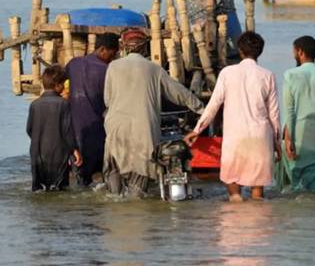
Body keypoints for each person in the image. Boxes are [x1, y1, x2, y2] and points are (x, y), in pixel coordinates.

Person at [103, 29, 205, 197]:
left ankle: (115, 200)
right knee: (139, 180)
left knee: (115, 176)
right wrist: (202, 109)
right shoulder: (154, 69)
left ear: (124, 47)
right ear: (145, 48)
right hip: (143, 129)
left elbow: (107, 100)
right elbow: (179, 93)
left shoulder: (113, 67)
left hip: (116, 127)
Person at [185, 32, 281, 201]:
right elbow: (274, 115)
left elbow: (213, 105)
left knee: (234, 193)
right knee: (258, 196)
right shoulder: (268, 75)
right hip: (260, 137)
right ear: (260, 52)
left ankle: (234, 215)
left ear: (240, 50)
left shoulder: (227, 73)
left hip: (235, 138)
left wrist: (197, 130)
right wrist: (277, 144)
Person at [275, 36, 315, 193]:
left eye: (294, 52)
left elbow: (289, 111)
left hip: (300, 130)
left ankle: (299, 214)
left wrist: (288, 137)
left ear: (300, 52)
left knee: (293, 177)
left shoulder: (290, 75)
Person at [66, 33, 120, 186]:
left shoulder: (73, 63)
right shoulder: (107, 71)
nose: (113, 57)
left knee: (80, 177)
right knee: (103, 175)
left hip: (75, 132)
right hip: (97, 130)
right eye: (112, 53)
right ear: (102, 49)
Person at [26, 65, 82, 191]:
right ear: (57, 85)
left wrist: (38, 140)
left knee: (39, 190)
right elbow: (67, 131)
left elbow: (29, 129)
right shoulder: (64, 104)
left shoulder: (34, 105)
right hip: (58, 154)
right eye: (63, 84)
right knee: (60, 189)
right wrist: (74, 150)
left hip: (37, 153)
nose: (63, 87)